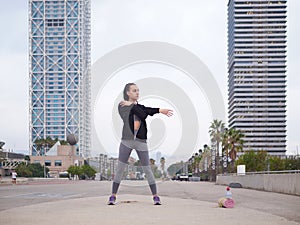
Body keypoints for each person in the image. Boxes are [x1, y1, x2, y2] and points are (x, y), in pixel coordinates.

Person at [108, 83, 173, 205]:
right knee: (120, 169)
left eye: (138, 90)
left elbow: (145, 112)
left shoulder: (136, 106)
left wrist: (160, 110)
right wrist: (132, 105)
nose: (137, 92)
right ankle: (113, 196)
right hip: (126, 141)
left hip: (141, 142)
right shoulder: (122, 106)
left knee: (147, 169)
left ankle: (155, 196)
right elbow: (140, 113)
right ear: (128, 93)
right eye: (134, 90)